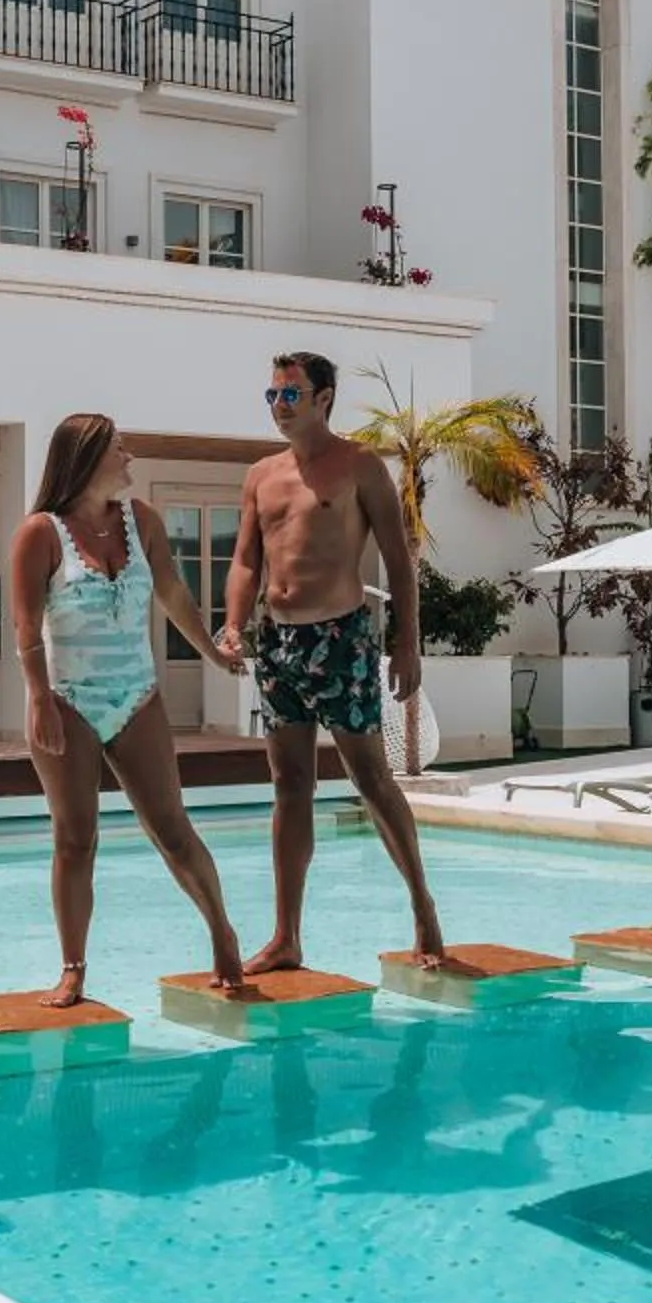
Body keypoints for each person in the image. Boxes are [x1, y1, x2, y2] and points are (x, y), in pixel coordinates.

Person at [217, 349, 445, 971]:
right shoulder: (261, 475)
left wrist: (405, 643)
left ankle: (423, 908)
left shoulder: (361, 466)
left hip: (341, 640)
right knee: (290, 786)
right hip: (278, 643)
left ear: (323, 400)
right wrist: (234, 624)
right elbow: (244, 561)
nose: (279, 407)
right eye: (272, 396)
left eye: (290, 395)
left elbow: (398, 561)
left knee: (371, 780)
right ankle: (286, 935)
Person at [10, 412, 247, 1007]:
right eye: (120, 450)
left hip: (137, 696)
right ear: (87, 460)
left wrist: (214, 657)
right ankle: (73, 969)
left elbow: (172, 594)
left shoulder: (142, 524)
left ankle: (222, 933)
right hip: (67, 701)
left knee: (172, 830)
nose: (130, 459)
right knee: (75, 839)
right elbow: (25, 628)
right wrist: (39, 697)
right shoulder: (40, 533)